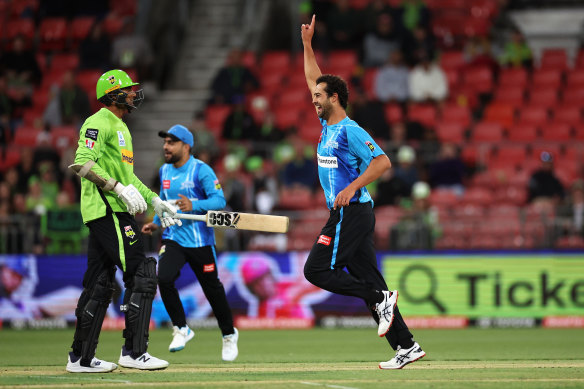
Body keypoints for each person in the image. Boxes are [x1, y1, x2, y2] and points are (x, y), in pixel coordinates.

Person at [300, 15, 425, 369]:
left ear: (335, 97)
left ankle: (378, 298)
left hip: (351, 211)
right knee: (370, 277)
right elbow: (313, 78)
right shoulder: (327, 123)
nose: (314, 100)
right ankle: (407, 346)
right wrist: (308, 46)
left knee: (317, 270)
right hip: (350, 212)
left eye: (319, 96)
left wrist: (352, 186)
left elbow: (383, 162)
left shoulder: (349, 130)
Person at [66, 69, 182, 373]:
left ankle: (81, 358)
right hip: (108, 209)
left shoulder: (122, 128)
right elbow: (81, 164)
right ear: (113, 94)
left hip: (111, 210)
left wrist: (157, 201)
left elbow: (128, 178)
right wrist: (115, 188)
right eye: (128, 90)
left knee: (99, 284)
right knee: (142, 272)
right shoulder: (97, 122)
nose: (134, 94)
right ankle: (133, 352)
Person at [141, 124, 239, 361]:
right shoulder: (164, 171)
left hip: (200, 242)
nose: (166, 146)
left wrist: (193, 205)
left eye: (171, 142)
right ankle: (181, 328)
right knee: (163, 277)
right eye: (165, 142)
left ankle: (228, 334)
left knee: (212, 290)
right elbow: (164, 202)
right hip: (174, 238)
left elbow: (219, 200)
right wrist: (156, 222)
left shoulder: (201, 170)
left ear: (186, 146)